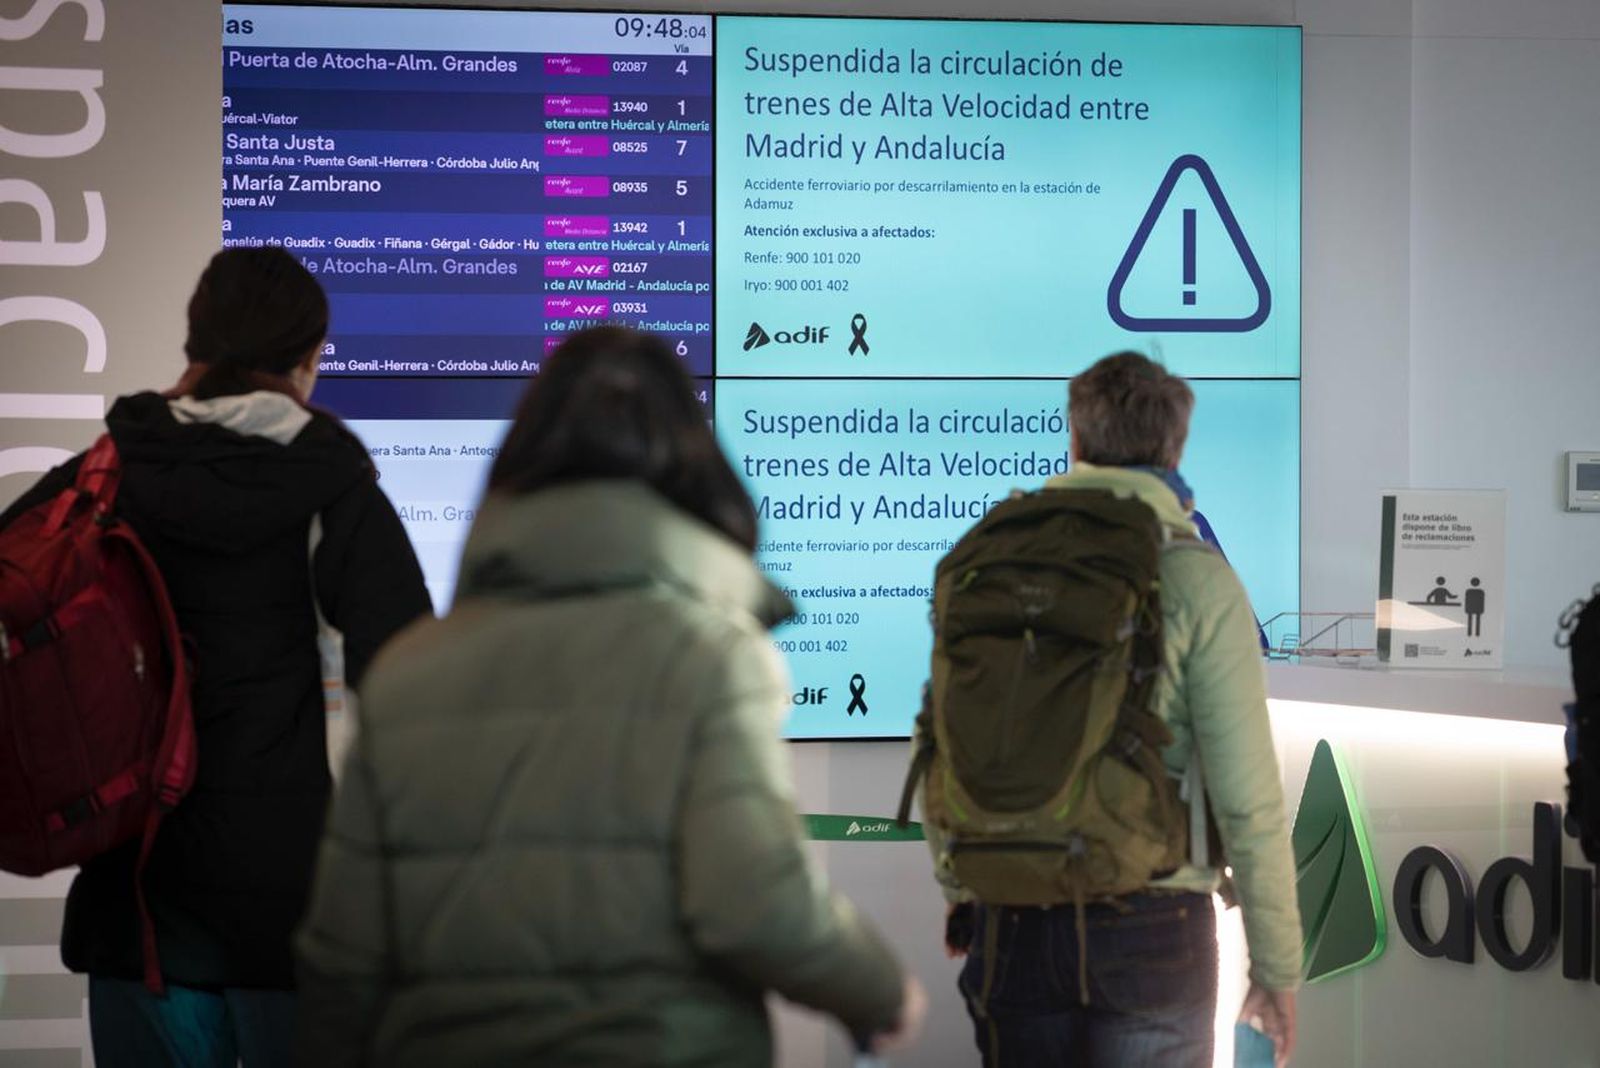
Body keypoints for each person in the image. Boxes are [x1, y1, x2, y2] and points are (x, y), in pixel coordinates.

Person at [295, 325, 925, 1066]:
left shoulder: (408, 672)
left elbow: (343, 957)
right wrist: (881, 993)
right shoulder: (710, 658)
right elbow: (755, 902)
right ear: (695, 472)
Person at [0, 246, 432, 1066]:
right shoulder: (335, 494)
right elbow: (416, 694)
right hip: (297, 917)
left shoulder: (103, 476)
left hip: (137, 906)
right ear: (308, 359)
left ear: (195, 341)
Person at [932, 352, 1302, 1068]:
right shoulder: (1196, 577)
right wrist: (1277, 967)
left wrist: (961, 885)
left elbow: (947, 740)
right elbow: (1248, 797)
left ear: (1075, 439)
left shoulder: (988, 560)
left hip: (1013, 918)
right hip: (1152, 922)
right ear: (1174, 451)